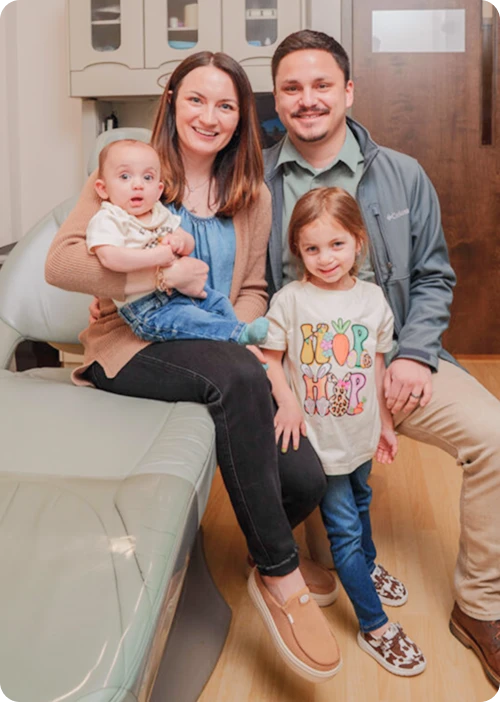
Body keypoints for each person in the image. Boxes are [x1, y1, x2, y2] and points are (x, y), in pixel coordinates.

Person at [45, 50, 341, 684]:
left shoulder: (252, 195)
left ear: (241, 116)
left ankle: (259, 544)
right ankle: (280, 576)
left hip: (215, 341)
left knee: (306, 478)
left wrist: (257, 354)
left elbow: (253, 291)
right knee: (236, 376)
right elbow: (62, 264)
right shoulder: (133, 171)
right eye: (196, 100)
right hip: (132, 347)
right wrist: (157, 276)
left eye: (226, 105)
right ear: (171, 103)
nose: (210, 116)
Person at [264, 29, 500, 687]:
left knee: (495, 437)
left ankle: (481, 607)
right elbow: (248, 290)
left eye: (321, 84)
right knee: (330, 533)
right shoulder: (254, 181)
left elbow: (434, 275)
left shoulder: (403, 174)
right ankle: (348, 567)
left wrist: (415, 356)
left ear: (348, 91)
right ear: (276, 99)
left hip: (393, 362)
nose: (307, 99)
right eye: (291, 88)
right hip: (304, 384)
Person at [260, 186, 426, 676]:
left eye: (336, 244)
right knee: (345, 535)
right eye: (311, 248)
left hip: (360, 437)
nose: (325, 258)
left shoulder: (372, 299)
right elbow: (269, 359)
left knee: (363, 499)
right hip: (321, 444)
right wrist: (287, 402)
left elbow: (376, 366)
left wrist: (386, 424)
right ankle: (375, 625)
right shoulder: (291, 301)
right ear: (297, 250)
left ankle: (369, 568)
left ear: (358, 241)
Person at [87, 138, 269, 346]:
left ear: (158, 189)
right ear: (102, 189)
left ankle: (238, 336)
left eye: (147, 178)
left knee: (218, 302)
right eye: (125, 177)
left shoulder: (157, 212)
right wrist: (158, 259)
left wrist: (180, 241)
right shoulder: (109, 218)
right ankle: (236, 337)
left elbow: (187, 242)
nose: (137, 185)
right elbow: (110, 258)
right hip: (146, 308)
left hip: (179, 293)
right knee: (191, 320)